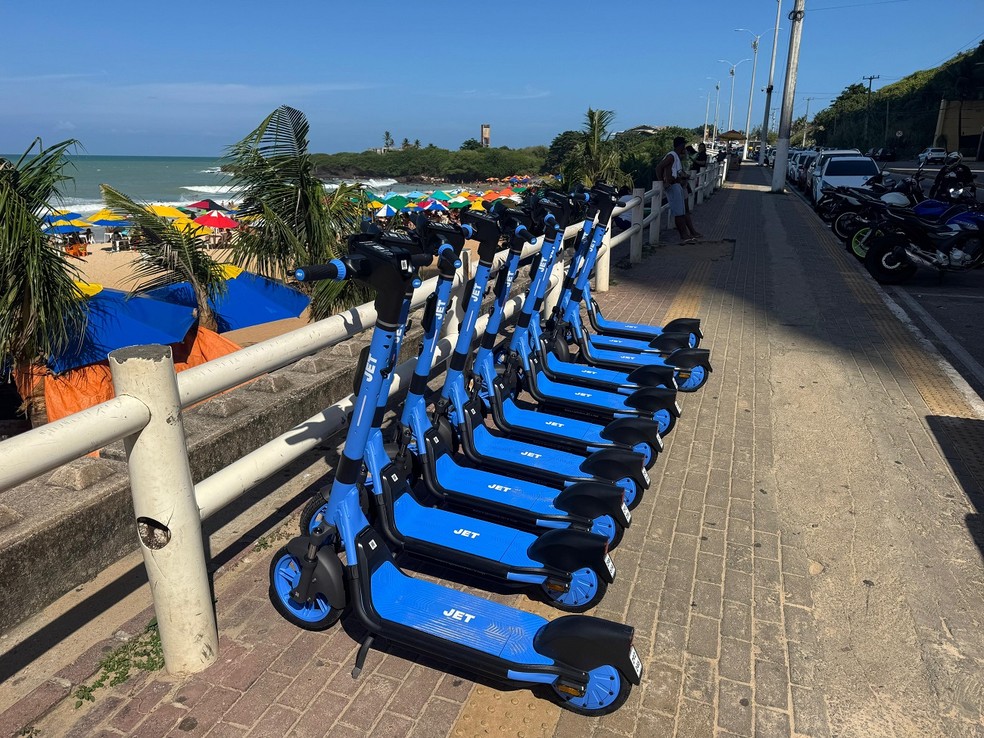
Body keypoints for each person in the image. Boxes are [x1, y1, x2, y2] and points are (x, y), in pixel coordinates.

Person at [655, 136, 702, 243]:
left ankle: (686, 234)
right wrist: (663, 182)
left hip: (676, 184)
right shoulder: (672, 156)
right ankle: (683, 235)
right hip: (672, 185)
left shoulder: (675, 156)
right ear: (681, 145)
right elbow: (659, 167)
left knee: (681, 211)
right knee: (679, 212)